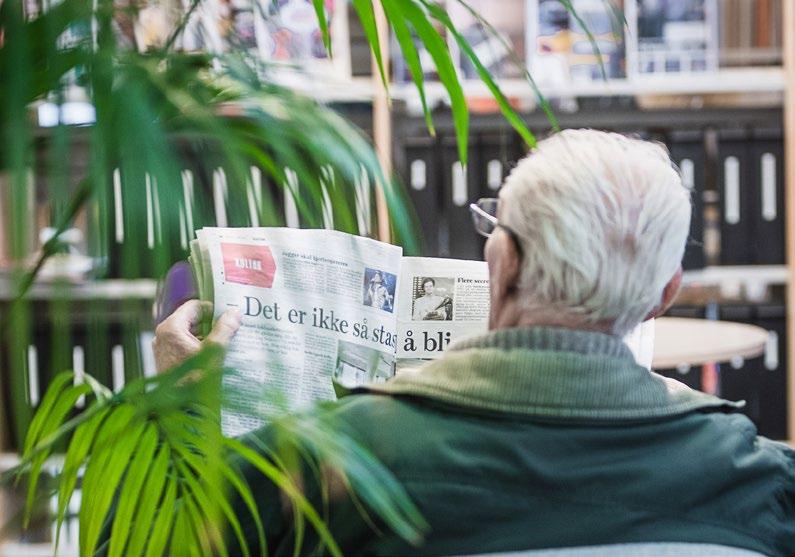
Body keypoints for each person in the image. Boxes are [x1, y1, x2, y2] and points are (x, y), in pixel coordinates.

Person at [153, 129, 795, 556]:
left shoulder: (333, 461)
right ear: (665, 295)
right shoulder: (759, 480)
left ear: (503, 263)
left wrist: (181, 415)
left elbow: (136, 540)